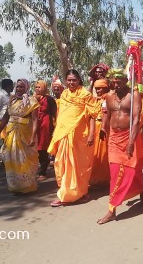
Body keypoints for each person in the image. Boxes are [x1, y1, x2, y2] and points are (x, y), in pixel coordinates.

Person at [96, 69, 143, 224]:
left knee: (134, 169)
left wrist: (131, 142)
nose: (116, 84)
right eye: (114, 82)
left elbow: (136, 120)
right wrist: (103, 128)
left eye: (120, 81)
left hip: (129, 136)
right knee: (115, 172)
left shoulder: (134, 96)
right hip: (114, 138)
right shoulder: (109, 96)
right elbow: (107, 114)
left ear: (126, 80)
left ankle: (142, 194)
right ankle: (112, 210)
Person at [48, 70, 97, 207]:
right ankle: (65, 193)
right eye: (69, 80)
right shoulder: (64, 94)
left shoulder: (86, 94)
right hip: (63, 134)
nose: (71, 83)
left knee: (79, 166)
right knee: (61, 163)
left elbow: (92, 115)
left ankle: (81, 193)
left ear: (79, 80)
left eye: (74, 80)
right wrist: (56, 132)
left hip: (79, 136)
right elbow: (61, 115)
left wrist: (92, 134)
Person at [0, 79, 40, 193]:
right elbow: (6, 116)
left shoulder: (31, 101)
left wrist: (33, 136)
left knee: (24, 158)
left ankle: (27, 186)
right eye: (17, 87)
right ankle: (15, 186)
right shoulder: (12, 100)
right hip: (11, 132)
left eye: (21, 87)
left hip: (25, 133)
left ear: (26, 88)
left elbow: (35, 120)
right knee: (11, 157)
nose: (19, 89)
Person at [90, 78, 111, 187]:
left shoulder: (109, 99)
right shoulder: (94, 100)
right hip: (96, 128)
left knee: (104, 154)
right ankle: (95, 179)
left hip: (106, 129)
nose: (98, 91)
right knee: (95, 155)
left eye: (100, 89)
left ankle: (105, 179)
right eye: (96, 89)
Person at [34, 80, 57, 180]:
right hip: (35, 125)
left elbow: (55, 113)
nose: (37, 89)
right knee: (36, 147)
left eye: (39, 87)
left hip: (45, 125)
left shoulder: (49, 99)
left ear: (44, 88)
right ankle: (39, 168)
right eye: (36, 87)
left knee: (43, 147)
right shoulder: (33, 99)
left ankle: (43, 171)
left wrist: (57, 126)